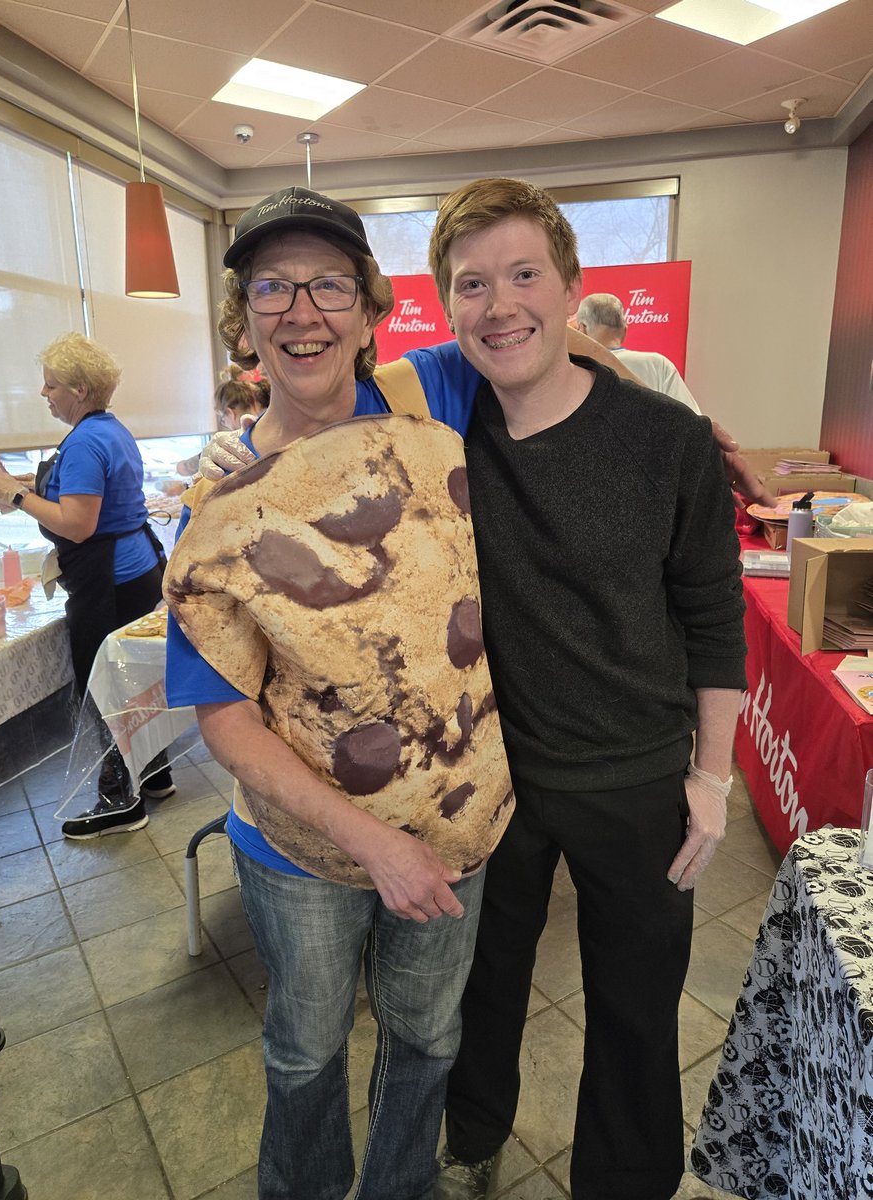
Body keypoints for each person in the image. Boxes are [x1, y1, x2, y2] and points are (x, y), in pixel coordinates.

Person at [162, 186, 514, 1200]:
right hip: (301, 851)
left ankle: (399, 1189)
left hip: (459, 822)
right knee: (305, 1051)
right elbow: (224, 719)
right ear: (243, 322)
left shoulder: (434, 396)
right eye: (273, 287)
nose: (301, 311)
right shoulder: (217, 506)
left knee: (427, 1037)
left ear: (369, 310)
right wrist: (373, 844)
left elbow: (561, 355)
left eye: (328, 284)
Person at [421, 179, 747, 1200]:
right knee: (481, 990)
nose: (499, 304)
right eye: (471, 284)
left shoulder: (667, 441)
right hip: (496, 778)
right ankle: (472, 1139)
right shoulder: (442, 436)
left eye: (524, 275)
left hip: (639, 779)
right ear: (447, 305)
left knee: (639, 1013)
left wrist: (713, 778)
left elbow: (713, 618)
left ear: (571, 288)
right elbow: (342, 372)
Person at [0, 332, 174, 838]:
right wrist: (21, 483)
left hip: (107, 580)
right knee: (134, 680)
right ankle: (153, 773)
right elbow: (82, 490)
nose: (45, 395)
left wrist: (13, 497)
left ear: (81, 390)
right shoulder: (109, 430)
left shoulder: (85, 440)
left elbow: (78, 523)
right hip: (138, 569)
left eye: (51, 386)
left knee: (102, 684)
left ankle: (118, 803)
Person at [574, 291, 701, 413]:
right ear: (624, 330)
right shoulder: (658, 365)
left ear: (582, 330)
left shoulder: (577, 371)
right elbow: (691, 419)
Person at [214, 364, 270, 430]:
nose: (226, 424)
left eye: (223, 419)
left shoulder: (246, 438)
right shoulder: (275, 422)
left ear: (230, 413)